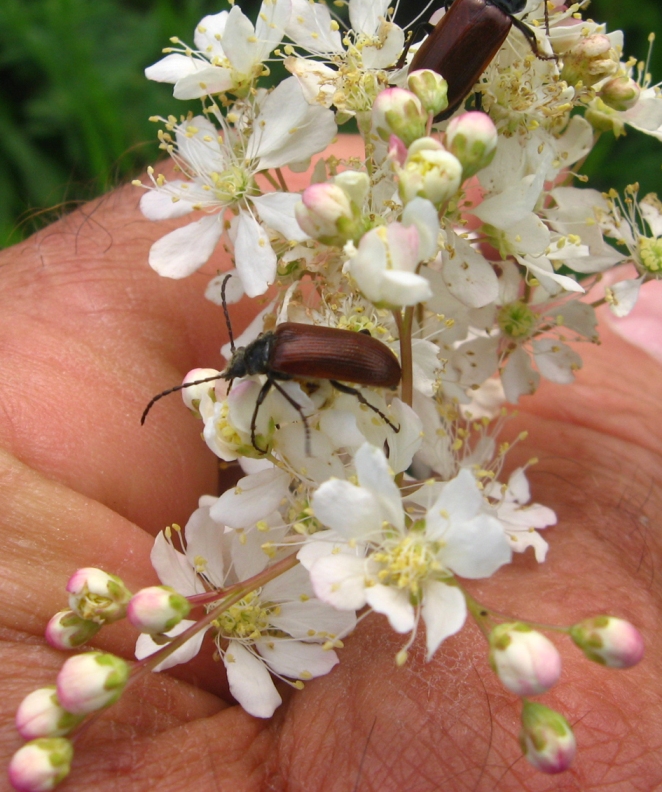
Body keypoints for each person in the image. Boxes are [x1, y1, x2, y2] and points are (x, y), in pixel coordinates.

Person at [2, 140, 661, 790]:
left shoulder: (279, 353)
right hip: (366, 389)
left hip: (380, 374)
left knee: (320, 392)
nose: (238, 377)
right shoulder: (277, 345)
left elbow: (310, 377)